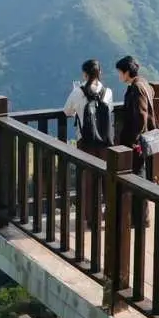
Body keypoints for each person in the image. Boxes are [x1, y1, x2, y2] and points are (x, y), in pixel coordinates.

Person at [63, 59, 114, 228]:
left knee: (88, 180)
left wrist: (76, 94)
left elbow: (67, 111)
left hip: (86, 142)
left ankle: (92, 219)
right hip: (105, 143)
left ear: (84, 74)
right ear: (100, 73)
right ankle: (110, 214)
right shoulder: (108, 92)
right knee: (107, 180)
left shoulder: (78, 92)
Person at [116, 55, 156, 227]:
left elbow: (141, 115)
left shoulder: (136, 88)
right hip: (142, 140)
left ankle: (141, 218)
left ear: (126, 72)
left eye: (120, 72)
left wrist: (133, 141)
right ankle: (139, 216)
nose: (119, 76)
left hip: (136, 142)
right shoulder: (145, 84)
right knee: (139, 176)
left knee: (137, 179)